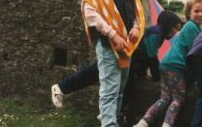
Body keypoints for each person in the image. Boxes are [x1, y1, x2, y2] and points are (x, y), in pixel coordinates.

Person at [51, 11, 183, 109]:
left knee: (123, 87)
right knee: (94, 73)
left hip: (128, 57)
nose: (176, 31)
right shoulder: (156, 34)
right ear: (168, 25)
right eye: (175, 27)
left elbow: (144, 56)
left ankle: (109, 115)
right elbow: (152, 59)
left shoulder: (158, 33)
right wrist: (157, 79)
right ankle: (61, 88)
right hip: (121, 52)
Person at [82, 0, 145, 127]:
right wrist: (112, 35)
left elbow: (136, 12)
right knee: (109, 89)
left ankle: (109, 120)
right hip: (109, 43)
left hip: (126, 44)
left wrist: (135, 27)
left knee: (119, 89)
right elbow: (90, 13)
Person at [133, 0, 202, 127]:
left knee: (164, 98)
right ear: (189, 13)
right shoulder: (192, 27)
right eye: (196, 11)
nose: (200, 14)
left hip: (166, 64)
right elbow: (195, 52)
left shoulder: (192, 28)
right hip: (176, 66)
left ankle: (142, 123)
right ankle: (167, 124)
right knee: (178, 99)